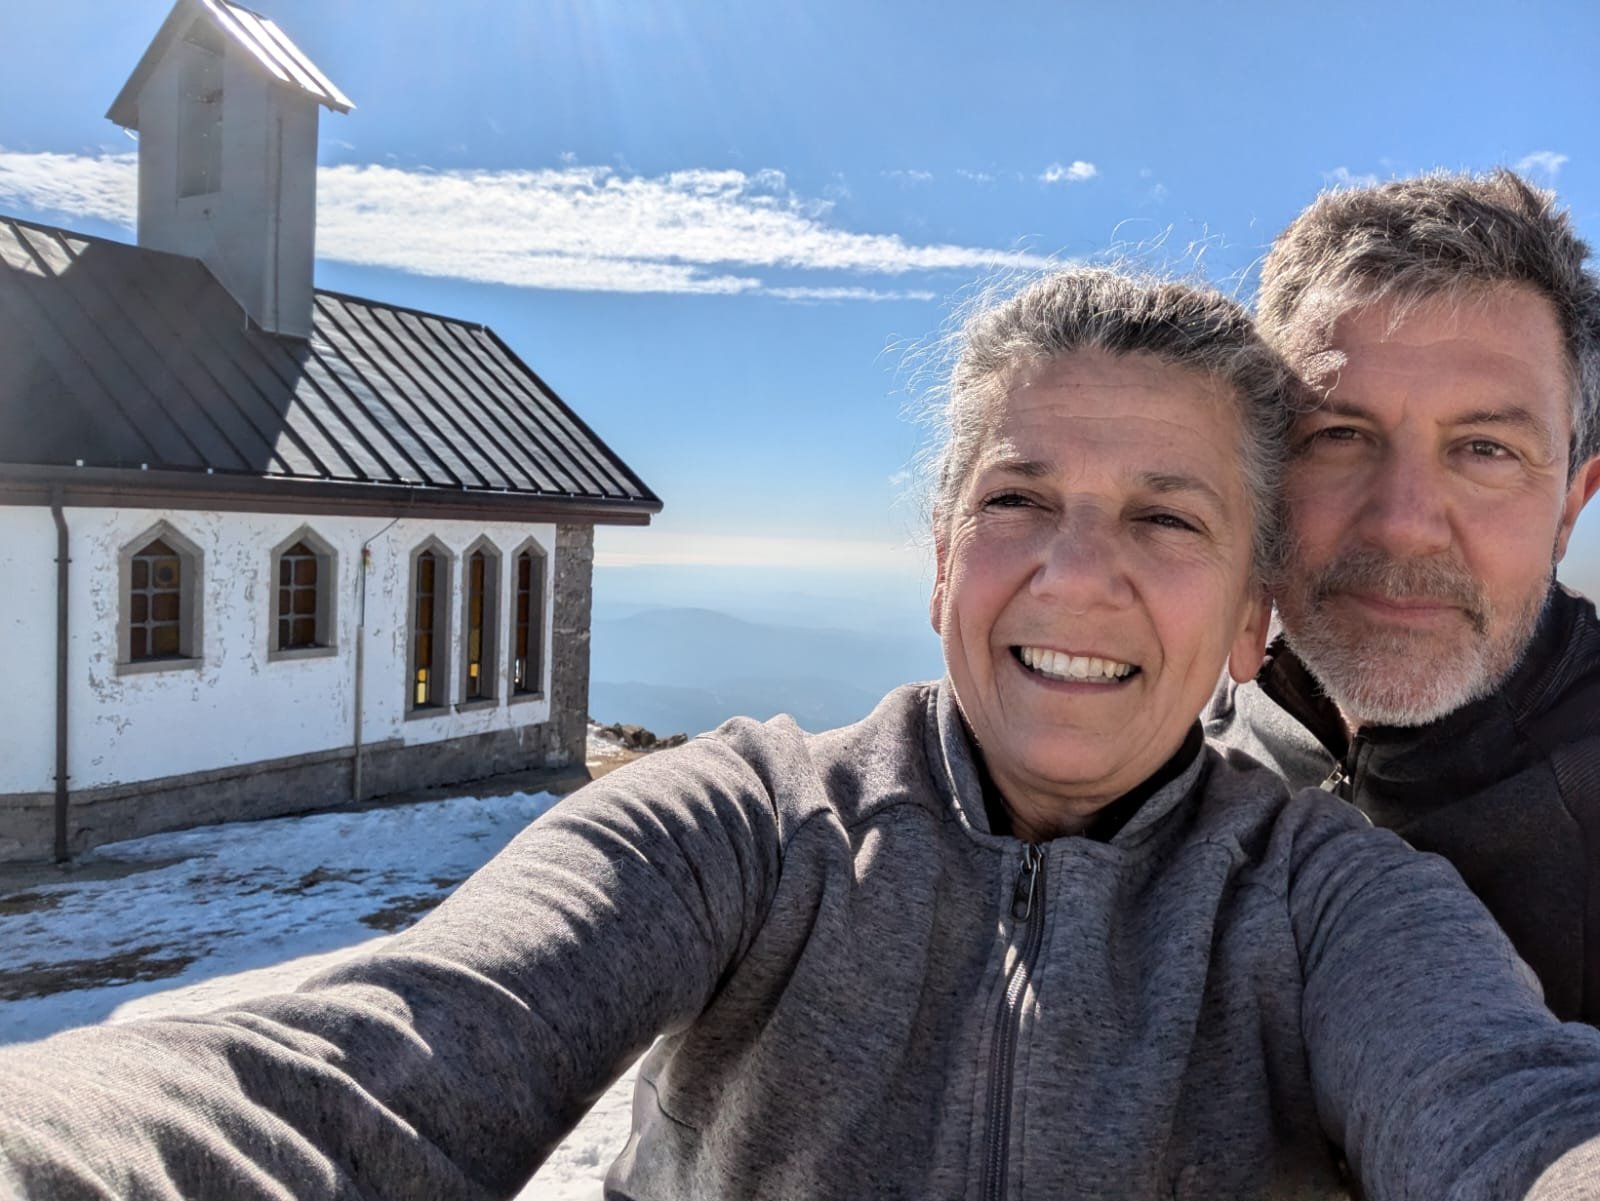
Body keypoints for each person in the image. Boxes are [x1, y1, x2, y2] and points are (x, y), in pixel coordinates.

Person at [5, 266, 1600, 1201]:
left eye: (1165, 519)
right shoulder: (744, 825)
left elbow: (1514, 1115)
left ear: (1254, 618)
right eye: (1018, 499)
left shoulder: (1330, 901)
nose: (1072, 571)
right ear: (937, 558)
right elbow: (375, 1059)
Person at [1205, 170, 1600, 1025]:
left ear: (1571, 502)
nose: (1402, 524)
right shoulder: (1186, 723)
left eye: (1486, 448)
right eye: (1339, 435)